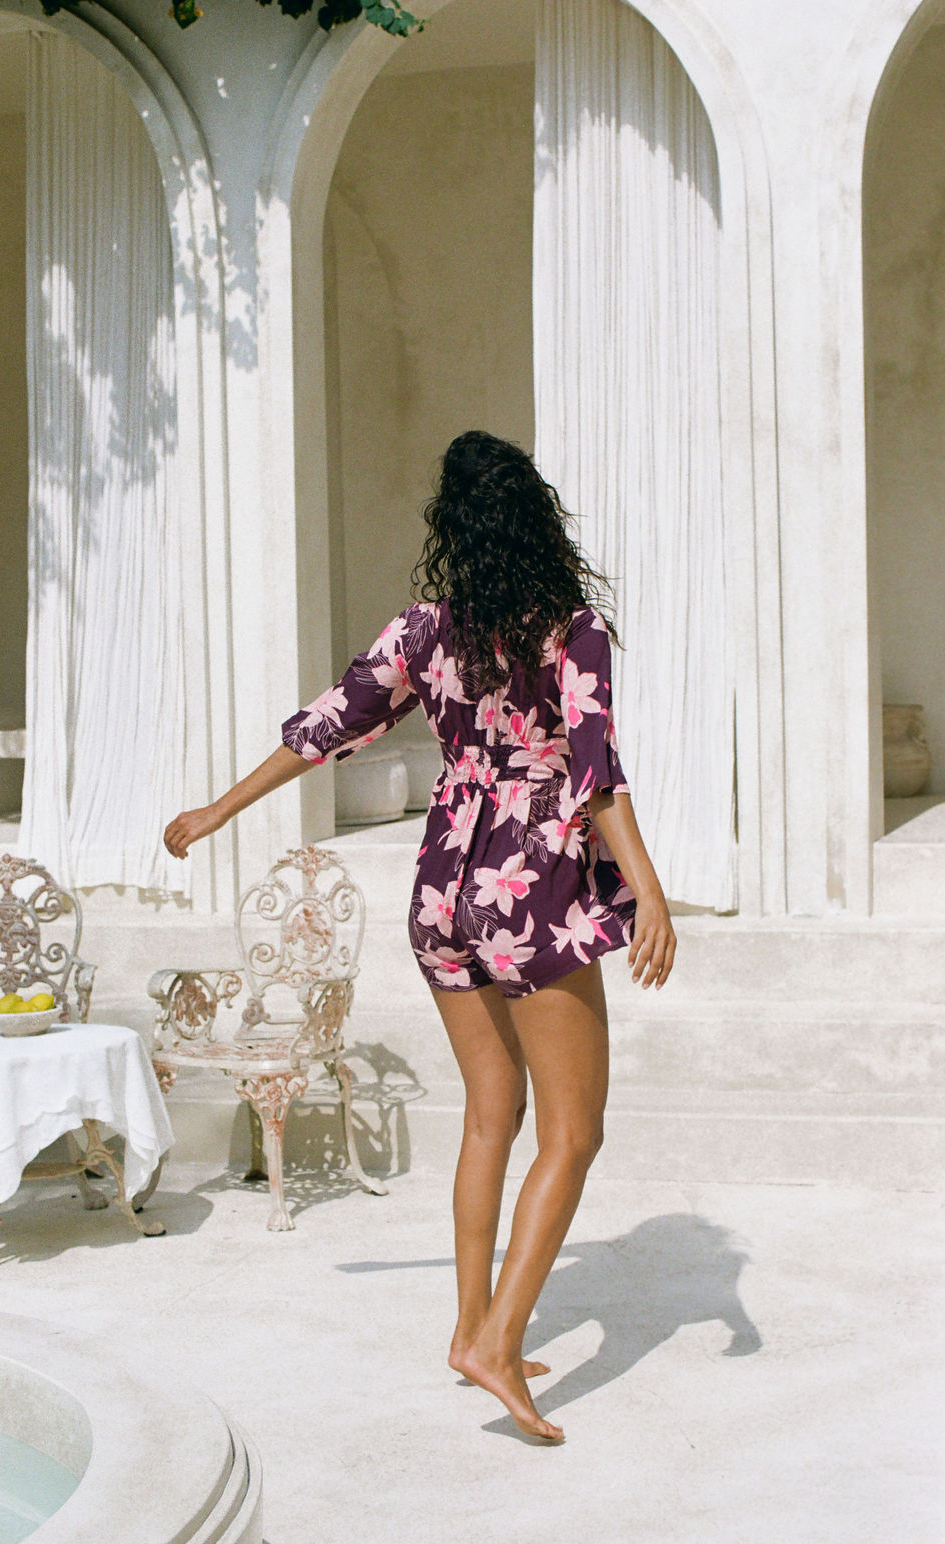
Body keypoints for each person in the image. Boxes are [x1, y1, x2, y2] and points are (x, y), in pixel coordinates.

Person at [164, 429, 677, 1443]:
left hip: (444, 887)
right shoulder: (569, 630)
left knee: (494, 1108)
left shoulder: (425, 631)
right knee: (572, 1132)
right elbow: (589, 768)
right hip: (529, 892)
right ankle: (495, 1337)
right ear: (535, 515)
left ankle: (466, 1326)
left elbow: (324, 724)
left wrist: (213, 813)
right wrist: (650, 891)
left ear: (453, 529)